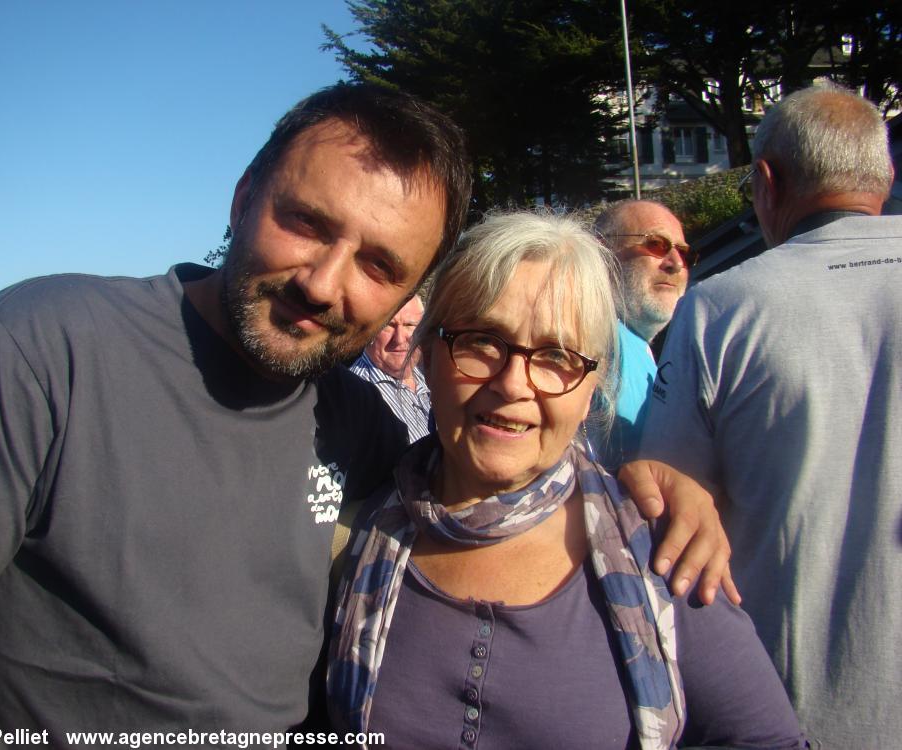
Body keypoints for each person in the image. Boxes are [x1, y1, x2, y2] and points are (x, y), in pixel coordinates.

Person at [0, 84, 729, 741]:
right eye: (304, 223)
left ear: (411, 295)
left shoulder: (361, 425)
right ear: (241, 198)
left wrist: (642, 483)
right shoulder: (46, 345)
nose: (325, 284)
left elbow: (493, 484)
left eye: (380, 264)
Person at [328, 210, 803, 749]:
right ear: (430, 356)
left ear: (591, 389)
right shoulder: (354, 531)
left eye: (555, 356)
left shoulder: (658, 547)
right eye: (482, 340)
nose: (513, 384)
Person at [638, 81, 900, 746]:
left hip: (788, 709)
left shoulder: (722, 307)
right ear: (887, 173)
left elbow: (661, 499)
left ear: (764, 183)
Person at [589, 200, 691, 471]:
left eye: (685, 254)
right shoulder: (593, 338)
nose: (676, 264)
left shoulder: (632, 344)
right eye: (656, 244)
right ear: (602, 253)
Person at [350, 295, 432, 442]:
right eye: (388, 325)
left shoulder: (431, 375)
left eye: (409, 325)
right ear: (369, 331)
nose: (399, 339)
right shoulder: (354, 396)